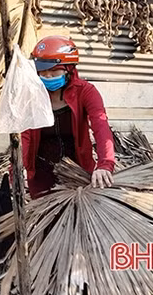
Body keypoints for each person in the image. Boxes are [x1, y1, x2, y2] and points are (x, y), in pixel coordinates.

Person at [22, 36, 115, 198]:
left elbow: (101, 127)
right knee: (46, 219)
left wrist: (105, 164)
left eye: (53, 70)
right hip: (41, 173)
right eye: (43, 71)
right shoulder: (32, 94)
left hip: (78, 170)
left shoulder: (85, 92)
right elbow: (24, 135)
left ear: (69, 68)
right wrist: (19, 168)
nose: (47, 75)